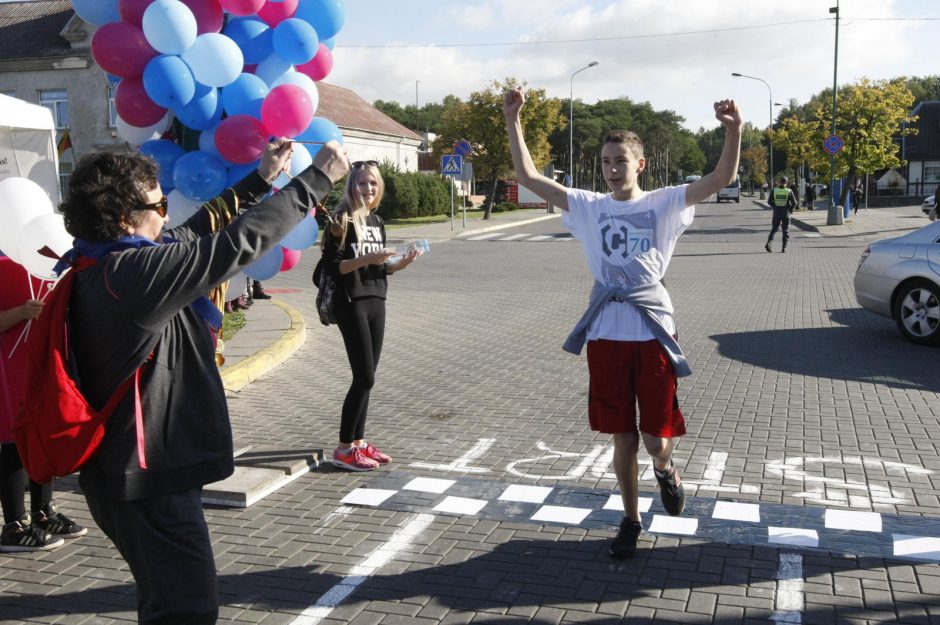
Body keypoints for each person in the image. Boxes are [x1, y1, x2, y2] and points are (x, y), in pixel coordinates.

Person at [57, 139, 348, 624]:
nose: (167, 216)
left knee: (166, 603)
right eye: (159, 205)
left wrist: (260, 178)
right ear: (125, 218)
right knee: (187, 611)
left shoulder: (104, 261)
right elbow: (234, 246)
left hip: (129, 477)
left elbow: (194, 234)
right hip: (147, 485)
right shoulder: (131, 275)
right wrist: (314, 182)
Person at [503, 86, 742, 559]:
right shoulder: (590, 207)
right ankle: (630, 519)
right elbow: (528, 175)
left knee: (655, 438)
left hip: (652, 331)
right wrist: (513, 120)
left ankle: (667, 469)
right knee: (623, 435)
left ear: (640, 164)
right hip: (606, 335)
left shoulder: (666, 203)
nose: (612, 169)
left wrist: (733, 130)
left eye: (621, 161)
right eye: (607, 162)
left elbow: (720, 177)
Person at [321, 160, 422, 471]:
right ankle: (343, 449)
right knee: (364, 377)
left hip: (377, 298)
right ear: (352, 185)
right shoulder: (341, 220)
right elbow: (333, 266)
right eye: (362, 183)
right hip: (351, 301)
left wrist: (400, 264)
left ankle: (359, 442)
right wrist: (366, 257)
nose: (368, 189)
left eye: (373, 184)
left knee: (368, 379)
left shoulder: (376, 221)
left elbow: (379, 268)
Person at [0, 260, 86, 552]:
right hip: (8, 369)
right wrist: (23, 312)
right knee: (14, 441)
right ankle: (14, 524)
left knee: (41, 436)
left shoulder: (39, 259)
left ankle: (43, 513)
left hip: (39, 362)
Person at [765, 176, 796, 253]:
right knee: (785, 230)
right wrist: (790, 210)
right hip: (785, 212)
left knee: (774, 229)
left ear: (780, 182)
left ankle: (769, 243)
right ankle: (784, 248)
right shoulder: (789, 191)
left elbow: (769, 202)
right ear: (786, 182)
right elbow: (795, 203)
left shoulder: (774, 190)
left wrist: (775, 206)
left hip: (776, 212)